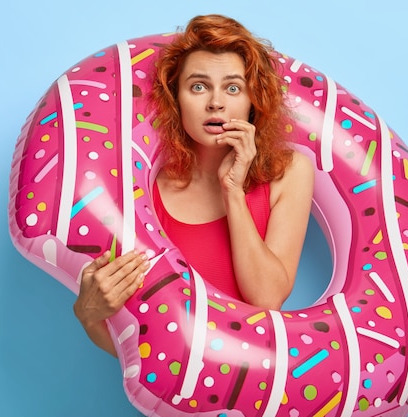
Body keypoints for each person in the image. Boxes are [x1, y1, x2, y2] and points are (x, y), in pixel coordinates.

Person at [73, 14, 314, 357]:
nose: (215, 102)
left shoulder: (290, 172)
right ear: (176, 100)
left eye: (233, 88)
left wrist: (232, 190)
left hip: (258, 388)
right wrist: (88, 316)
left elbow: (267, 299)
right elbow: (145, 343)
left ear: (252, 101)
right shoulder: (145, 193)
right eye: (198, 86)